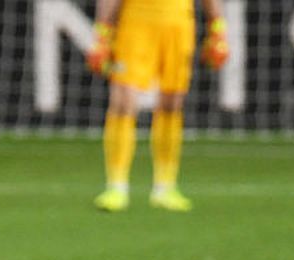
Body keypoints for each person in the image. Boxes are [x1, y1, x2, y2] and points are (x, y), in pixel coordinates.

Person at [87, 0, 228, 212]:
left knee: (172, 103)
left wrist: (217, 28)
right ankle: (116, 187)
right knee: (123, 101)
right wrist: (102, 32)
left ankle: (165, 187)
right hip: (135, 22)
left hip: (179, 21)